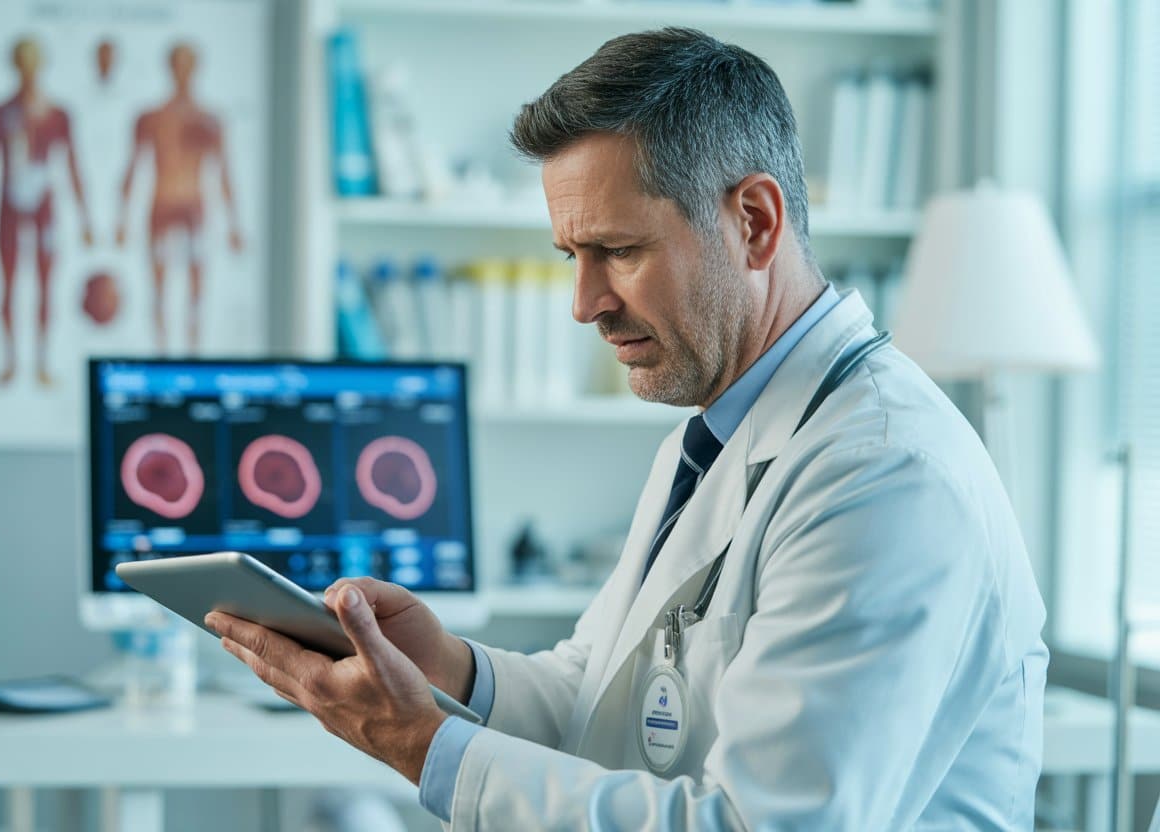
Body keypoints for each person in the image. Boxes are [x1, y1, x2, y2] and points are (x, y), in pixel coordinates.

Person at [208, 29, 1047, 829]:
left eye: (618, 250)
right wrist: (451, 670)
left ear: (754, 222)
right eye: (572, 256)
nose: (586, 305)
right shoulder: (719, 437)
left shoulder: (883, 475)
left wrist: (425, 748)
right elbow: (598, 688)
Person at [0, 37, 94, 387]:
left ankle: (42, 362)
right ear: (15, 64)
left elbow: (73, 165)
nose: (29, 68)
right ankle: (10, 361)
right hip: (9, 206)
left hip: (44, 208)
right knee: (8, 284)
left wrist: (85, 219)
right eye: (23, 60)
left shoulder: (58, 114)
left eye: (34, 60)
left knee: (45, 285)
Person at [115, 42, 243, 354]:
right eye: (178, 64)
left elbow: (223, 172)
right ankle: (161, 351)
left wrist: (233, 225)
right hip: (162, 205)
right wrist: (122, 219)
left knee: (196, 284)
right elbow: (133, 168)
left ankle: (193, 351)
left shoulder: (210, 119)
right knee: (159, 283)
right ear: (170, 68)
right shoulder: (151, 117)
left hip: (194, 208)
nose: (183, 71)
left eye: (188, 64)